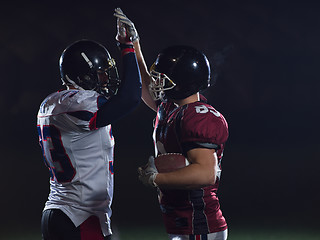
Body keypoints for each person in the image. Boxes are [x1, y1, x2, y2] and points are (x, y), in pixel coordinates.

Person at [114, 8, 229, 240]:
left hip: (199, 224)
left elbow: (206, 173)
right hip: (183, 221)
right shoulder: (171, 108)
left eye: (163, 79)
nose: (156, 82)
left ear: (183, 83)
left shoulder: (199, 116)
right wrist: (132, 45)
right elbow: (146, 85)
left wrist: (157, 178)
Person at [37, 22, 142, 240]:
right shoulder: (80, 104)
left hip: (60, 212)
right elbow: (130, 98)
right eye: (101, 73)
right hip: (78, 217)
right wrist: (127, 48)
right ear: (82, 74)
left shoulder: (51, 103)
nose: (105, 79)